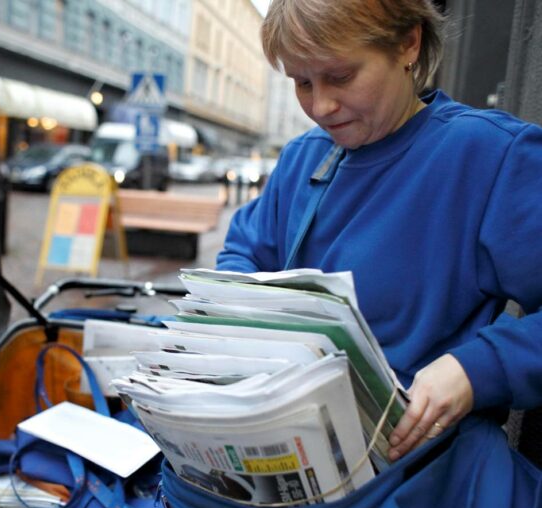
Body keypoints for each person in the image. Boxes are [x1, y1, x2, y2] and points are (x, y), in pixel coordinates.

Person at [217, 0, 542, 479]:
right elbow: (243, 253)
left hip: (417, 476)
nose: (321, 107)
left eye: (341, 76)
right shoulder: (303, 158)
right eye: (302, 83)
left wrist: (475, 370)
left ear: (408, 44)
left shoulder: (492, 156)